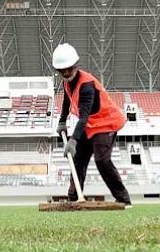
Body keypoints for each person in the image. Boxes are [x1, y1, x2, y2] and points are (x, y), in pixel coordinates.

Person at [53, 43, 132, 206]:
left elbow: (83, 117)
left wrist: (73, 140)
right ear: (58, 71)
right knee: (78, 159)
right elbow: (67, 102)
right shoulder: (66, 83)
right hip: (90, 125)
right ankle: (74, 199)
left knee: (102, 160)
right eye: (62, 70)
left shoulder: (87, 85)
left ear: (75, 65)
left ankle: (123, 199)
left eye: (69, 68)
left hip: (106, 122)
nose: (67, 73)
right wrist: (62, 121)